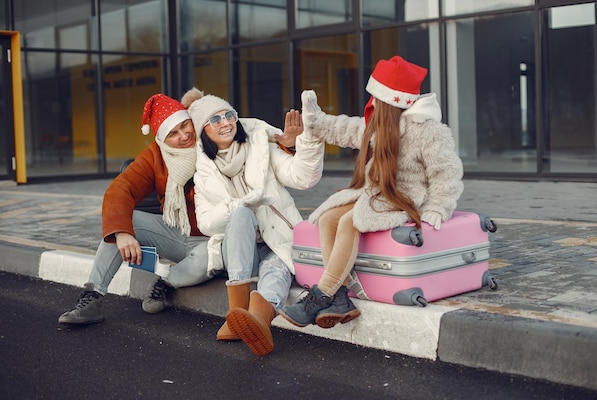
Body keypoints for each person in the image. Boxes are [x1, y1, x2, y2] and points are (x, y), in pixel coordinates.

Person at [58, 93, 300, 325]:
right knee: (121, 223)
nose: (184, 135)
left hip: (216, 239)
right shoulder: (156, 155)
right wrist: (122, 233)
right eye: (173, 133)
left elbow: (256, 140)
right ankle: (93, 297)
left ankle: (166, 283)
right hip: (175, 234)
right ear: (162, 139)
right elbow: (121, 188)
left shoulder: (213, 142)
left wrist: (290, 145)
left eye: (186, 125)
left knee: (206, 256)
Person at [278, 55, 465, 329]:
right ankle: (340, 299)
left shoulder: (429, 131)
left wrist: (438, 207)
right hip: (375, 195)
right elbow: (344, 129)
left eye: (377, 97)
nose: (372, 103)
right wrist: (315, 120)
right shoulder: (378, 125)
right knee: (329, 218)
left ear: (391, 100)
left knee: (349, 221)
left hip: (403, 199)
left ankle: (322, 294)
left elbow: (446, 173)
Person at [183, 87, 325, 356]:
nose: (225, 123)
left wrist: (301, 144)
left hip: (273, 239)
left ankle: (259, 319)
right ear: (204, 130)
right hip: (237, 250)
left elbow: (303, 177)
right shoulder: (203, 172)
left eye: (229, 115)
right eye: (215, 119)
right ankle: (235, 312)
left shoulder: (261, 146)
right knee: (241, 215)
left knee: (278, 266)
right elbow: (205, 223)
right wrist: (242, 205)